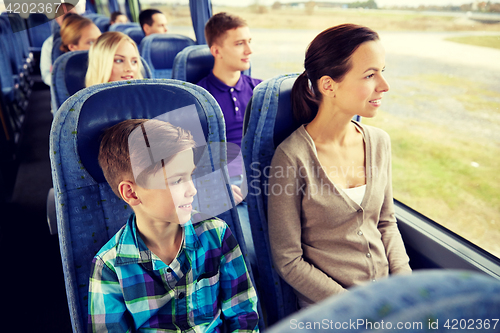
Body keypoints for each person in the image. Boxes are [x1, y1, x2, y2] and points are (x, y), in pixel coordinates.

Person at [267, 24, 412, 309]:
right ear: (328, 85)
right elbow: (288, 260)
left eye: (383, 71)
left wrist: (404, 286)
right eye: (370, 75)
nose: (384, 85)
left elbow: (386, 222)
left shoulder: (379, 142)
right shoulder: (292, 157)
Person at [88, 119, 259, 332]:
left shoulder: (216, 234)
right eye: (177, 180)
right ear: (132, 193)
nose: (193, 190)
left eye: (191, 176)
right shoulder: (109, 266)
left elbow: (243, 315)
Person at [196, 12, 262, 261]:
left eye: (249, 41)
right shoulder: (199, 97)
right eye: (239, 43)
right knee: (252, 256)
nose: (249, 50)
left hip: (268, 180)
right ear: (217, 50)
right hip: (229, 185)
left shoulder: (262, 91)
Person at [39, 3, 78, 86]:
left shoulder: (89, 37)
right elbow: (45, 74)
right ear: (57, 20)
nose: (70, 20)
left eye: (73, 16)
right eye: (66, 17)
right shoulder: (50, 44)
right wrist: (58, 79)